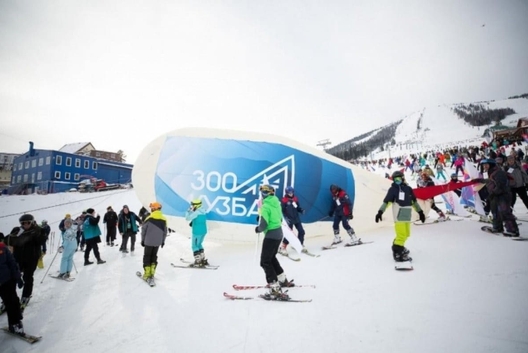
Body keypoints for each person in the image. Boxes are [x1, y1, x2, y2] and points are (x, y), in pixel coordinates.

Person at [375, 170, 425, 262]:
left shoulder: (408, 189)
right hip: (399, 214)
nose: (397, 181)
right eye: (395, 179)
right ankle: (397, 252)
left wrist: (420, 212)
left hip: (407, 214)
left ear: (403, 178)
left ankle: (398, 246)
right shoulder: (393, 189)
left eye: (399, 179)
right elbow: (387, 202)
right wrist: (380, 212)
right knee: (401, 234)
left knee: (406, 234)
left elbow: (414, 202)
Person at [255, 185, 294, 300]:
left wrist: (258, 228)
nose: (261, 194)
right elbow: (279, 219)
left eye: (262, 192)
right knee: (271, 258)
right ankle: (282, 279)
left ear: (265, 193)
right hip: (278, 234)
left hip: (271, 235)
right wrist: (261, 218)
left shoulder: (266, 206)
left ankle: (275, 288)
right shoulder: (276, 202)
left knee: (265, 262)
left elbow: (264, 225)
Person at [5, 214, 47, 309]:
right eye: (23, 223)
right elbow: (8, 240)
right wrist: (14, 235)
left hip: (31, 258)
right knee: (13, 277)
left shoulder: (38, 230)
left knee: (27, 277)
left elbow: (42, 240)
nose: (25, 225)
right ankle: (9, 298)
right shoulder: (17, 230)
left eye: (28, 222)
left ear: (32, 222)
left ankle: (26, 295)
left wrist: (36, 233)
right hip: (18, 258)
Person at [480, 159, 519, 236]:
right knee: (495, 212)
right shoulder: (488, 173)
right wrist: (478, 181)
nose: (485, 166)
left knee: (504, 212)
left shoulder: (499, 172)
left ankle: (513, 230)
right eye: (483, 165)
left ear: (491, 165)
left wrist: (494, 192)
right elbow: (489, 182)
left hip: (503, 195)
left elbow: (501, 185)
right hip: (494, 195)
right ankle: (497, 227)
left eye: (486, 165)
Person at [0, 241, 25, 335]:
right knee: (10, 301)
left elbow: (12, 263)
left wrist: (18, 277)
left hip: (7, 280)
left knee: (12, 301)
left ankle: (15, 323)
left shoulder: (2, 248)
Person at [140, 202, 167, 283]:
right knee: (154, 256)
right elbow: (165, 232)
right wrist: (162, 241)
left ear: (154, 209)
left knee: (147, 256)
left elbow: (143, 231)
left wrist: (142, 240)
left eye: (152, 208)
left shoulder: (149, 218)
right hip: (157, 242)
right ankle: (152, 273)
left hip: (148, 242)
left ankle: (146, 274)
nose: (151, 209)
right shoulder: (164, 219)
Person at [278, 186, 306, 255]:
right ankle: (283, 247)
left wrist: (301, 210)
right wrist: (285, 218)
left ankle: (299, 244)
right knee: (289, 234)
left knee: (301, 231)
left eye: (292, 192)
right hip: (289, 220)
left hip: (296, 218)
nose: (291, 194)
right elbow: (281, 211)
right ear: (286, 193)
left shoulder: (295, 199)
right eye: (289, 193)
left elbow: (297, 207)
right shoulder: (284, 200)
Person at [185, 199, 209, 266]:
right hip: (203, 231)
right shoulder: (203, 211)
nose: (192, 206)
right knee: (199, 244)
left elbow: (187, 218)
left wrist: (188, 211)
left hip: (197, 232)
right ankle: (202, 258)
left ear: (196, 205)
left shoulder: (196, 212)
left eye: (192, 205)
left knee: (194, 246)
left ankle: (198, 260)